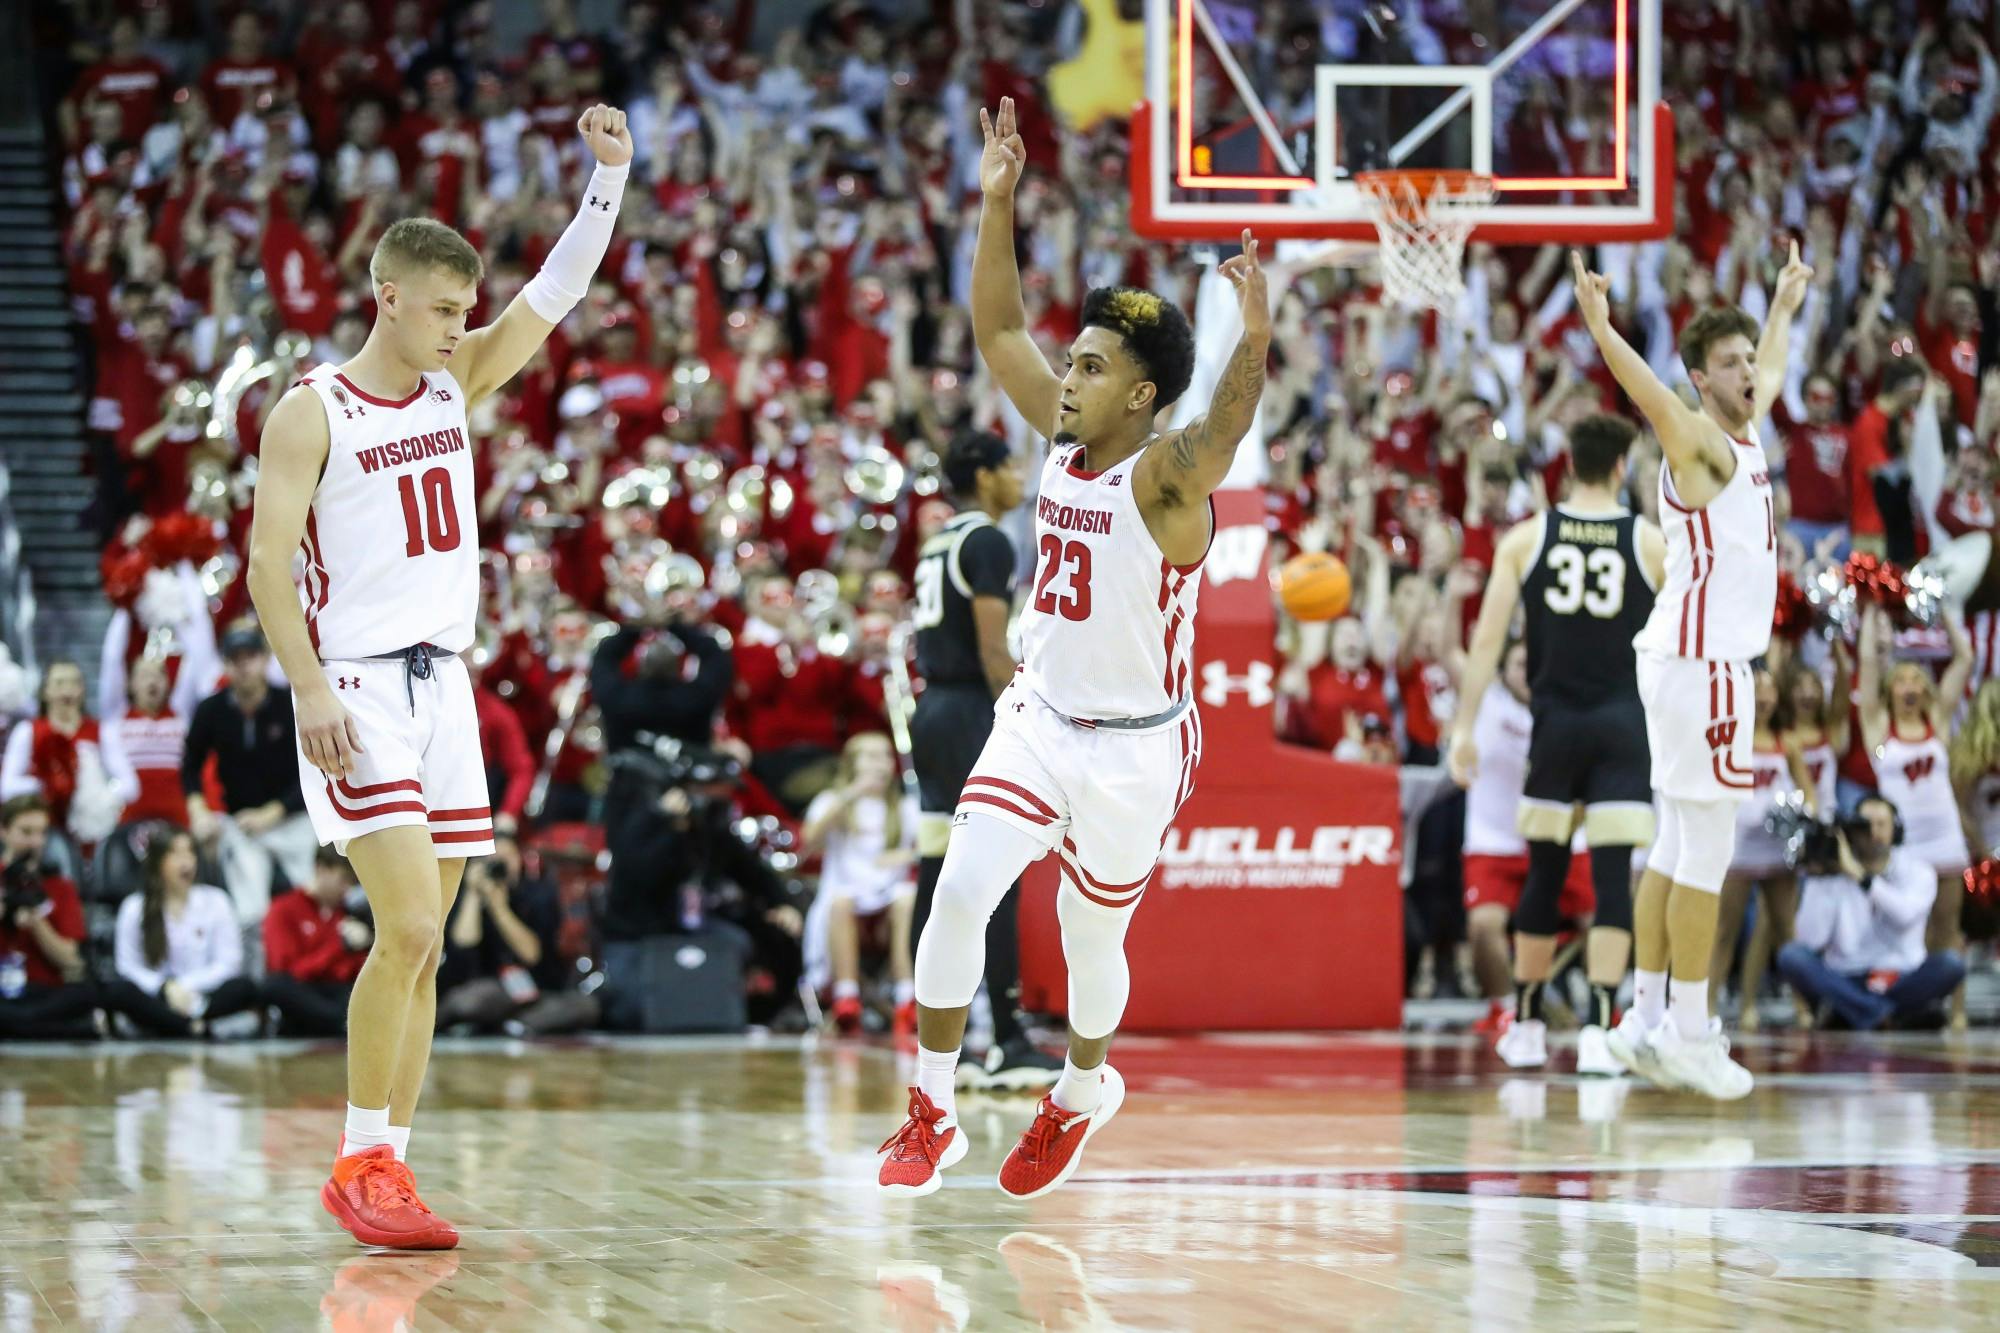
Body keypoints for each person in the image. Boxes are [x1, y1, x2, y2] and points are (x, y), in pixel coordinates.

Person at [246, 105, 634, 1249]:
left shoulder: (453, 383)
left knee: (428, 940)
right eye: (448, 311)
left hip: (444, 688)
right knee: (409, 925)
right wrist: (309, 689)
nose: (466, 327)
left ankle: (388, 1167)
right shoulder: (307, 411)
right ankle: (358, 1156)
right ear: (388, 298)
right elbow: (267, 567)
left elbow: (552, 298)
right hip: (356, 687)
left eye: (469, 311)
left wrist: (605, 181)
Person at [878, 97, 1266, 1199]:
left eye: (1091, 367)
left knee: (1089, 942)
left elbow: (1227, 425)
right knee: (959, 891)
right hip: (1037, 720)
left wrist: (1255, 335)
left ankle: (1080, 1089)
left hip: (1137, 747)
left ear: (1139, 394)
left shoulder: (1163, 477)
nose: (1067, 376)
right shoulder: (1058, 437)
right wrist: (994, 201)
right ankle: (930, 1107)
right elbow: (998, 328)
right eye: (1077, 359)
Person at [1572, 242, 1807, 1099]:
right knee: (1705, 847)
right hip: (1705, 667)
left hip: (1681, 663)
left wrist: (1780, 306)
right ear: (1702, 380)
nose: (1752, 370)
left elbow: (1774, 368)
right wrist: (1603, 328)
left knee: (1673, 845)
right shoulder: (1700, 442)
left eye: (1750, 358)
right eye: (1732, 362)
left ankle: (1642, 1016)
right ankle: (1692, 1031)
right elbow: (1649, 393)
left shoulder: (1744, 429)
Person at [1449, 415, 1661, 1077]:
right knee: (1610, 878)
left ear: (1567, 467)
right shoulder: (1650, 541)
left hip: (1556, 724)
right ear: (1622, 468)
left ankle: (1530, 1022)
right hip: (1625, 726)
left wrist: (1463, 726)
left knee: (1542, 872)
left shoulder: (1527, 538)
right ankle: (1601, 1028)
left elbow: (1486, 642)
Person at [906, 428, 1058, 1086]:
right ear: (984, 475)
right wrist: (1023, 719)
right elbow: (995, 649)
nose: (1019, 475)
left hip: (932, 711)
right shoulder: (987, 540)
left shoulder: (938, 540)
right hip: (971, 709)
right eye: (1008, 465)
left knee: (937, 871)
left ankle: (946, 1038)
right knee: (995, 873)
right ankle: (1008, 1034)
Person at [1450, 640, 1598, 1047]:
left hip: (1560, 834)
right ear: (1502, 670)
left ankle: (1605, 1007)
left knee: (1605, 919)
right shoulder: (1485, 702)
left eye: (1535, 663)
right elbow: (1449, 650)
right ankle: (1505, 1007)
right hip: (1495, 842)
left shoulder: (1570, 704)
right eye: (1518, 663)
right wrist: (1452, 596)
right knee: (1482, 925)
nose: (1527, 671)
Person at [1859, 603, 1974, 1028]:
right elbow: (1868, 664)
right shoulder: (1877, 725)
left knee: (1948, 927)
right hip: (1904, 849)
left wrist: (1942, 609)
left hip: (1944, 840)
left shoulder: (1938, 720)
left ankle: (1956, 1011)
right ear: (1890, 690)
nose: (1908, 684)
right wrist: (1871, 604)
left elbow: (1964, 659)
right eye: (1901, 678)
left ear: (1925, 689)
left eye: (1915, 679)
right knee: (1906, 935)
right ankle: (1913, 1007)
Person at [1778, 796, 1966, 1030]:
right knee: (1791, 955)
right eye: (1865, 825)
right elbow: (1811, 939)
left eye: (1881, 824)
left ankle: (1855, 1012)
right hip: (1848, 977)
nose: (1872, 832)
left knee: (1951, 964)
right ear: (1852, 830)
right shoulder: (1837, 869)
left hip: (1902, 976)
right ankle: (1887, 1015)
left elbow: (1904, 915)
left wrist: (1860, 877)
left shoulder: (1918, 871)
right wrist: (1820, 877)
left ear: (1896, 829)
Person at [182, 626, 318, 932]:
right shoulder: (211, 710)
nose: (243, 666)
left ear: (266, 658)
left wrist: (274, 812)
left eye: (251, 656)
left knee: (314, 896)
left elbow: (315, 770)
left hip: (293, 819)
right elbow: (190, 765)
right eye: (234, 658)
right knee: (249, 912)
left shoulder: (290, 705)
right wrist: (198, 809)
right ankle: (255, 972)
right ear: (225, 664)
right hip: (243, 824)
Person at [1710, 668, 1816, 1031]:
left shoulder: (1787, 742)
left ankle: (1802, 1007)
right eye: (1757, 690)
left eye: (1771, 691)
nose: (1765, 698)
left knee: (1786, 931)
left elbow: (1809, 793)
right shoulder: (1729, 737)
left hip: (1776, 847)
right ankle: (1708, 1007)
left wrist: (1800, 817)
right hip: (1738, 845)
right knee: (1725, 929)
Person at [802, 732, 919, 1036]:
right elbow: (808, 843)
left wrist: (906, 855)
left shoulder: (904, 807)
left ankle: (908, 997)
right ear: (853, 764)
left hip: (888, 904)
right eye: (871, 756)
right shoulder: (833, 801)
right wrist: (852, 793)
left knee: (908, 898)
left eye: (885, 756)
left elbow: (933, 849)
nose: (879, 763)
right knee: (840, 901)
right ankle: (846, 995)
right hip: (847, 901)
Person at [108, 827, 261, 1036]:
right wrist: (164, 989)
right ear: (158, 862)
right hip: (157, 996)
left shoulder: (217, 901)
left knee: (244, 988)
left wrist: (183, 987)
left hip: (203, 995)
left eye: (190, 853)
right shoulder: (134, 907)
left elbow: (229, 963)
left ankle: (172, 1025)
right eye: (176, 853)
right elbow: (127, 966)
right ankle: (194, 1028)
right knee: (119, 992)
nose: (186, 861)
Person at [0, 658, 139, 846]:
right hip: (43, 831)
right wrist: (45, 785)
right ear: (45, 691)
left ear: (82, 690)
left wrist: (101, 796)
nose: (67, 691)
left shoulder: (101, 731)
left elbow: (130, 785)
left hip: (92, 833)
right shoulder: (28, 731)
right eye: (59, 683)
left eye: (74, 683)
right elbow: (7, 786)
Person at [0, 796, 95, 1041]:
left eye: (41, 833)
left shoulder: (60, 886)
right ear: (3, 831)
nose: (36, 842)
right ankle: (63, 1030)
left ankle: (20, 1027)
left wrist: (37, 924)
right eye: (26, 832)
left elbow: (72, 961)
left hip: (44, 993)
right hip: (3, 992)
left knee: (87, 994)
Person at [262, 848, 371, 1037]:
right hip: (302, 994)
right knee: (275, 986)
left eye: (352, 883)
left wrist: (363, 943)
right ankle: (343, 1022)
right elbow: (289, 971)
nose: (346, 889)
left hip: (337, 993)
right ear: (321, 869)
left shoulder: (347, 913)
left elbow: (351, 970)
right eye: (343, 879)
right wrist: (340, 946)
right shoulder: (283, 909)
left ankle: (344, 1020)